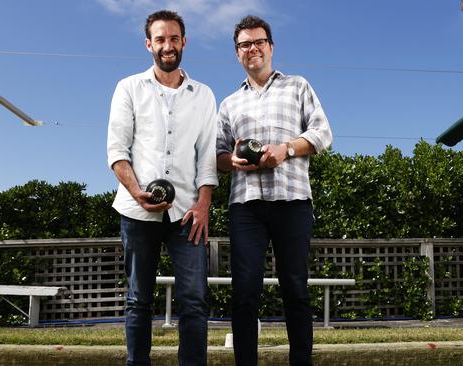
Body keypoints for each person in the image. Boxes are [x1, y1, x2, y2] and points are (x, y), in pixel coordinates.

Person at [216, 15, 333, 366]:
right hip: (246, 206)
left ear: (270, 47)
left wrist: (286, 149)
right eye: (244, 45)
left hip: (292, 200)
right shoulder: (229, 104)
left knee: (295, 288)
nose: (252, 49)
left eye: (258, 42)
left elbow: (323, 133)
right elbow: (217, 155)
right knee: (245, 292)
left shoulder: (298, 86)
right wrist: (232, 161)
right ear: (237, 53)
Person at [107, 10, 218, 366]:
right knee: (139, 298)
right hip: (136, 210)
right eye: (160, 39)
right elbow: (117, 150)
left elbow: (207, 159)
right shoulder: (128, 88)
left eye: (174, 38)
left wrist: (203, 206)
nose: (167, 46)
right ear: (148, 45)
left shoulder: (203, 95)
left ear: (184, 42)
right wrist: (136, 190)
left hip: (188, 213)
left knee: (194, 299)